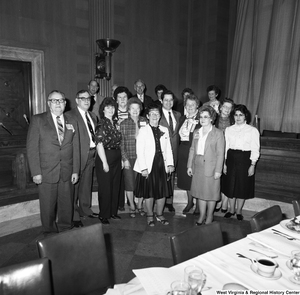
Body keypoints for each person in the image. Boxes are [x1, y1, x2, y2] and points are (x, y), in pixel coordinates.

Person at [26, 90, 80, 235]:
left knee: (66, 205)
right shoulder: (38, 120)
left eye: (61, 100)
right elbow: (32, 148)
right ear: (49, 103)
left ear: (65, 103)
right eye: (54, 101)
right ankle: (49, 233)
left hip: (67, 171)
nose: (58, 103)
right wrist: (36, 172)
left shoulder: (72, 120)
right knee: (48, 206)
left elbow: (76, 147)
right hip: (46, 171)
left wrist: (75, 170)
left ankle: (65, 229)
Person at [134, 104, 174, 226]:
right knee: (149, 191)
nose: (154, 116)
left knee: (162, 191)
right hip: (148, 165)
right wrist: (143, 168)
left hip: (162, 164)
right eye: (152, 114)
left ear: (160, 116)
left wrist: (170, 164)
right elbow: (139, 150)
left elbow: (168, 149)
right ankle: (150, 215)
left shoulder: (165, 130)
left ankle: (160, 214)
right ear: (147, 116)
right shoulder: (143, 130)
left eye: (157, 114)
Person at [187, 106, 225, 225]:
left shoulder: (218, 133)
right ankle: (202, 215)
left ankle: (209, 216)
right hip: (198, 165)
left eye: (206, 117)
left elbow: (220, 153)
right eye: (201, 117)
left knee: (211, 194)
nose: (203, 119)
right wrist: (189, 165)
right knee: (200, 193)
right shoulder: (196, 132)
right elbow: (192, 149)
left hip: (211, 167)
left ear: (212, 118)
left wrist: (218, 170)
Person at [67, 90, 98, 228]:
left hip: (92, 154)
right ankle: (73, 215)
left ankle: (85, 209)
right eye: (83, 98)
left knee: (86, 185)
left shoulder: (93, 116)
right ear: (77, 100)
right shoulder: (69, 115)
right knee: (74, 187)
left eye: (88, 98)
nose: (86, 101)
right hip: (77, 156)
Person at [223, 104, 260, 221]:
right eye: (236, 115)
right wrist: (223, 163)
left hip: (245, 159)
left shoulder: (252, 130)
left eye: (241, 115)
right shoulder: (228, 130)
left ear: (245, 116)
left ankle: (238, 210)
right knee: (230, 185)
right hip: (231, 158)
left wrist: (252, 165)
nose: (238, 117)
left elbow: (255, 148)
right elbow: (225, 148)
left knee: (241, 186)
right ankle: (231, 209)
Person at [95, 97, 122, 225]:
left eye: (112, 107)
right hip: (105, 156)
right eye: (107, 107)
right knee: (105, 187)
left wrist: (120, 159)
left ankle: (113, 212)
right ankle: (104, 214)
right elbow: (99, 144)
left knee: (115, 185)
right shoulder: (101, 123)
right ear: (103, 109)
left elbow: (119, 143)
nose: (111, 109)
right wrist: (105, 162)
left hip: (116, 155)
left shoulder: (115, 123)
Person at [120, 97, 148, 217]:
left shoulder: (146, 122)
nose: (135, 111)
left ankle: (140, 205)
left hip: (143, 158)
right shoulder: (124, 124)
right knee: (130, 183)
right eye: (132, 108)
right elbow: (121, 144)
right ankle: (132, 205)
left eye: (137, 108)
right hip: (130, 157)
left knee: (141, 183)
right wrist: (125, 159)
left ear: (140, 109)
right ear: (128, 110)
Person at [177, 94, 201, 215]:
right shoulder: (182, 118)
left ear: (197, 105)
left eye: (193, 104)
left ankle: (198, 205)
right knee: (186, 179)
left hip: (195, 151)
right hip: (182, 150)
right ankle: (190, 202)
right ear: (185, 106)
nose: (190, 106)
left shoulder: (202, 118)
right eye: (188, 104)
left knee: (195, 179)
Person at [159, 90, 181, 212]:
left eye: (170, 100)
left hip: (175, 151)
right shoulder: (157, 115)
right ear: (161, 101)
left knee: (171, 176)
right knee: (161, 176)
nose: (168, 102)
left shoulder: (178, 115)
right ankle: (160, 201)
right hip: (162, 151)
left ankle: (169, 201)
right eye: (165, 100)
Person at [214, 98, 235, 213]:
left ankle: (224, 202)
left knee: (227, 178)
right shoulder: (214, 118)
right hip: (215, 151)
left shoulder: (233, 121)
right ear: (220, 107)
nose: (227, 109)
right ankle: (218, 201)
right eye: (225, 107)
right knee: (217, 178)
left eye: (229, 107)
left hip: (229, 152)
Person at [114, 86, 130, 211]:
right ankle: (120, 203)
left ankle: (131, 200)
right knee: (119, 177)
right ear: (116, 99)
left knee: (130, 175)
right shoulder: (112, 113)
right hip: (117, 148)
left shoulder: (133, 111)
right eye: (120, 97)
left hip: (131, 148)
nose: (122, 99)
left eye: (124, 97)